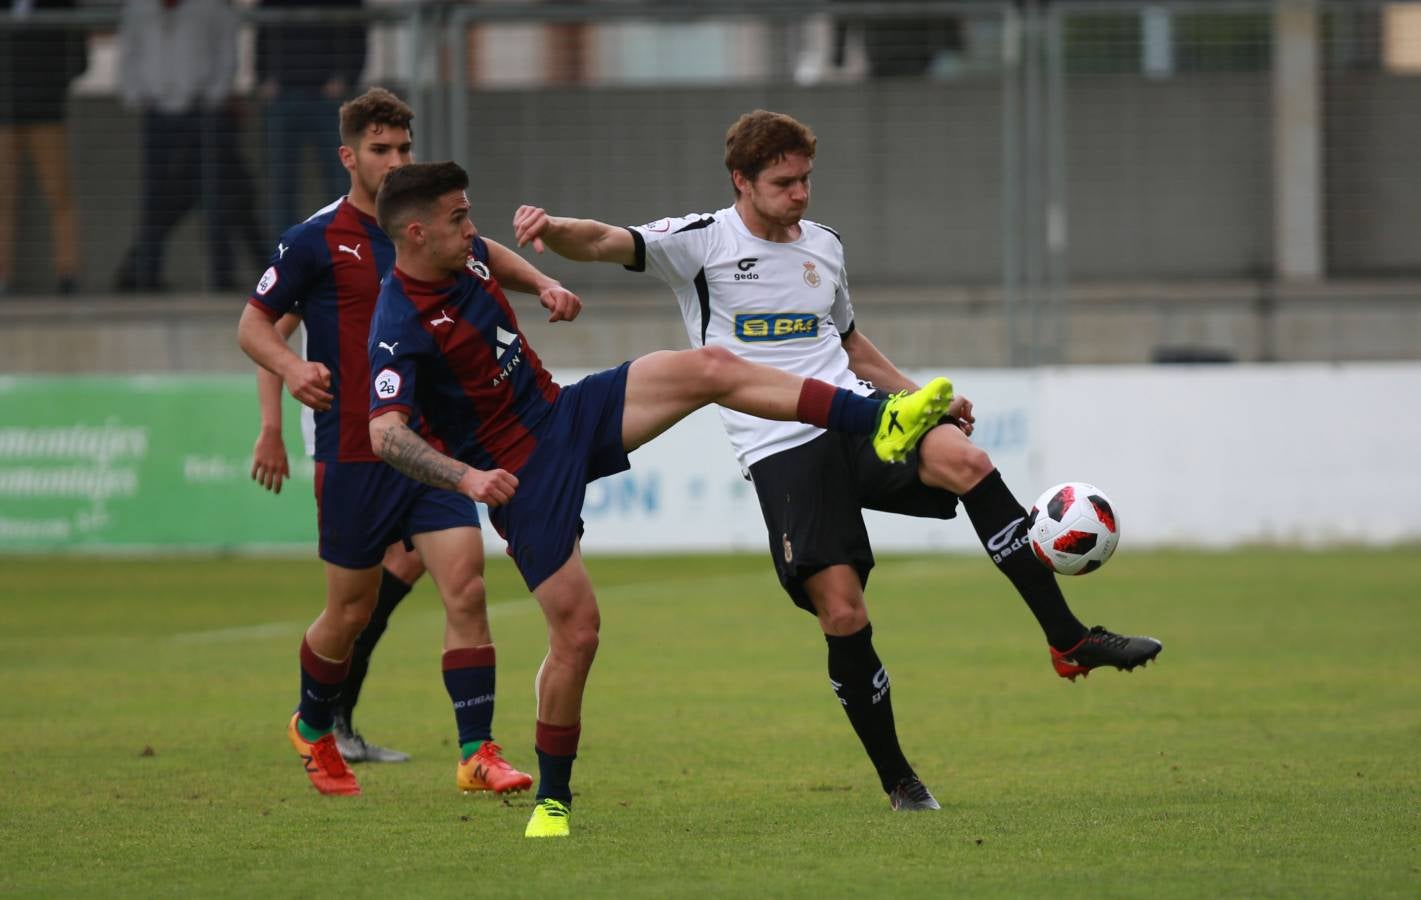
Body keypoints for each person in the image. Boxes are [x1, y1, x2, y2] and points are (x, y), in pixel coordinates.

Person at [509, 109, 1164, 812]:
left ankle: (1067, 638)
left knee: (967, 461)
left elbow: (849, 345)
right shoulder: (699, 242)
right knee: (844, 615)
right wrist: (551, 231)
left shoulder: (823, 245)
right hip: (779, 445)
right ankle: (898, 780)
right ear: (741, 181)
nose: (800, 195)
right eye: (783, 182)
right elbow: (607, 240)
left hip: (855, 416)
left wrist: (921, 400)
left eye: (806, 179)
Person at [364, 160, 954, 837]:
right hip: (517, 475)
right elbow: (385, 434)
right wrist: (467, 480)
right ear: (414, 234)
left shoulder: (458, 247)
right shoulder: (397, 323)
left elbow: (486, 254)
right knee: (577, 634)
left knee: (707, 368)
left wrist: (543, 281)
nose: (471, 228)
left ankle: (876, 418)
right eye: (458, 218)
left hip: (563, 414)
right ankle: (553, 800)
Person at [237, 89, 563, 799]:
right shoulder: (314, 239)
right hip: (354, 450)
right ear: (348, 156)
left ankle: (476, 751)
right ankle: (314, 720)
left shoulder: (426, 220)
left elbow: (484, 251)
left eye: (402, 149)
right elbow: (253, 325)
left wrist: (540, 281)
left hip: (431, 445)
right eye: (379, 150)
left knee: (466, 586)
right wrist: (292, 372)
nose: (394, 161)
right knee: (349, 612)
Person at [249, 309, 422, 764]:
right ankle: (325, 713)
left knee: (408, 560)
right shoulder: (317, 245)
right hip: (344, 439)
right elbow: (265, 336)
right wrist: (271, 428)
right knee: (359, 595)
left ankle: (332, 712)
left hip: (405, 427)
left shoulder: (405, 245)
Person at [114, 0, 266, 292]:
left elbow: (226, 50)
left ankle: (223, 276)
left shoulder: (210, 8)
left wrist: (215, 96)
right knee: (157, 195)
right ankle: (145, 274)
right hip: (157, 112)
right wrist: (136, 96)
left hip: (205, 113)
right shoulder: (139, 9)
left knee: (221, 194)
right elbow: (129, 55)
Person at [256, 0, 366, 243]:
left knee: (340, 181)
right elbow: (262, 30)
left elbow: (357, 29)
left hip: (328, 98)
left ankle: (343, 255)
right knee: (280, 184)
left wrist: (346, 77)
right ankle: (287, 261)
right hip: (284, 95)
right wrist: (264, 77)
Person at [0, 0, 85, 296]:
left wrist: (50, 85)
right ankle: (3, 277)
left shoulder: (59, 3)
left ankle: (68, 273)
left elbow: (77, 53)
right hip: (4, 113)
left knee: (59, 192)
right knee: (3, 197)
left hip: (46, 110)